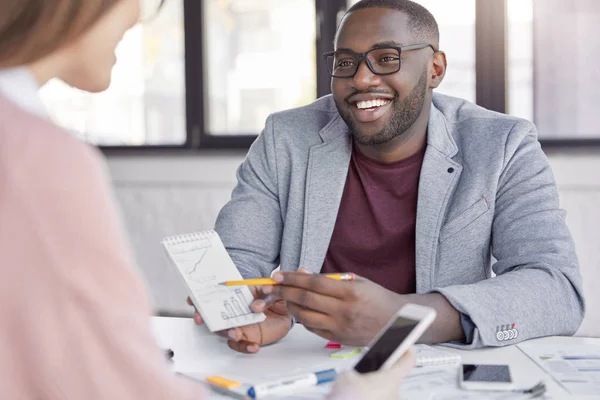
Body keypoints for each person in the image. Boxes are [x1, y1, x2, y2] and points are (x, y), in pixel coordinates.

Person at [0, 0, 415, 399]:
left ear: (435, 67)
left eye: (386, 58)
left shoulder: (27, 147)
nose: (139, 15)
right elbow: (122, 385)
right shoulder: (39, 159)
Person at [190, 0, 585, 354]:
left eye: (386, 58)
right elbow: (236, 258)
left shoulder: (502, 144)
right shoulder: (286, 136)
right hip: (307, 357)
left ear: (435, 68)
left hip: (435, 359)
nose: (361, 79)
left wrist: (404, 316)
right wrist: (247, 312)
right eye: (345, 63)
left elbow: (556, 288)